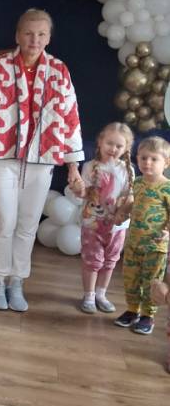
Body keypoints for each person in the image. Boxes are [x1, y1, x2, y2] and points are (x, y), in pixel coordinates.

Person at [0, 8, 84, 312]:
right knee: (2, 221)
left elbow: (70, 116)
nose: (34, 39)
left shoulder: (59, 71)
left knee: (28, 223)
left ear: (49, 37)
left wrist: (73, 166)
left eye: (41, 34)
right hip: (2, 156)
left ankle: (17, 281)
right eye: (28, 33)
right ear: (17, 35)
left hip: (42, 158)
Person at [70, 122, 134, 314]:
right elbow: (84, 193)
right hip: (93, 224)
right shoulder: (90, 167)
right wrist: (78, 190)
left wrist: (124, 208)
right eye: (109, 143)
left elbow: (130, 196)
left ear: (126, 148)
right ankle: (89, 295)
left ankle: (101, 294)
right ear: (100, 142)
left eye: (119, 146)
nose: (113, 149)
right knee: (92, 260)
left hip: (117, 227)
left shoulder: (128, 170)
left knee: (110, 261)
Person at [113, 136, 170, 335]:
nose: (147, 163)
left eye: (154, 159)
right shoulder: (137, 183)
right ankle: (132, 310)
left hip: (155, 246)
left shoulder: (167, 188)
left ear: (166, 162)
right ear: (137, 159)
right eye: (143, 158)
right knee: (130, 278)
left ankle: (148, 315)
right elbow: (132, 202)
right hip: (134, 242)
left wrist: (167, 232)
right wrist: (122, 212)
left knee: (151, 281)